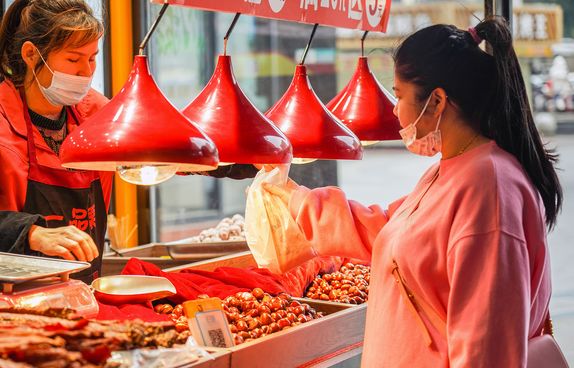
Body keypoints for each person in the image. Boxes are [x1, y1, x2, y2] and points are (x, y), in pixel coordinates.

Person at [261, 17, 562, 367]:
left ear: (436, 102)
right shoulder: (453, 169)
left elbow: (485, 349)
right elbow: (392, 229)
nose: (394, 109)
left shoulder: (489, 188)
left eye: (399, 95)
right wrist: (292, 202)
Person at [0, 0, 112, 283]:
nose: (86, 72)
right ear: (30, 54)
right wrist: (31, 233)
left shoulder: (97, 113)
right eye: (73, 59)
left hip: (83, 294)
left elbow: (164, 145)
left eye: (92, 58)